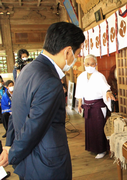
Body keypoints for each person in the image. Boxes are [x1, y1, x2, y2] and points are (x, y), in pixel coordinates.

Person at [0, 22, 85, 179]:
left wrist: (9, 145)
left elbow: (15, 111)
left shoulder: (27, 69)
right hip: (46, 163)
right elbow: (34, 126)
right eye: (77, 53)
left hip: (29, 161)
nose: (76, 58)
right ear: (67, 51)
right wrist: (12, 154)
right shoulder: (50, 81)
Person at [75, 54, 115, 159]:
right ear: (84, 64)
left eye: (92, 64)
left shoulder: (99, 76)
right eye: (87, 64)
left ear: (95, 65)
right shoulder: (81, 77)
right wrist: (80, 104)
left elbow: (105, 87)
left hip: (98, 106)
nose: (90, 66)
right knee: (90, 128)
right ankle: (93, 148)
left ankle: (102, 149)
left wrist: (108, 92)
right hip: (87, 106)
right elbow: (79, 91)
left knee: (99, 128)